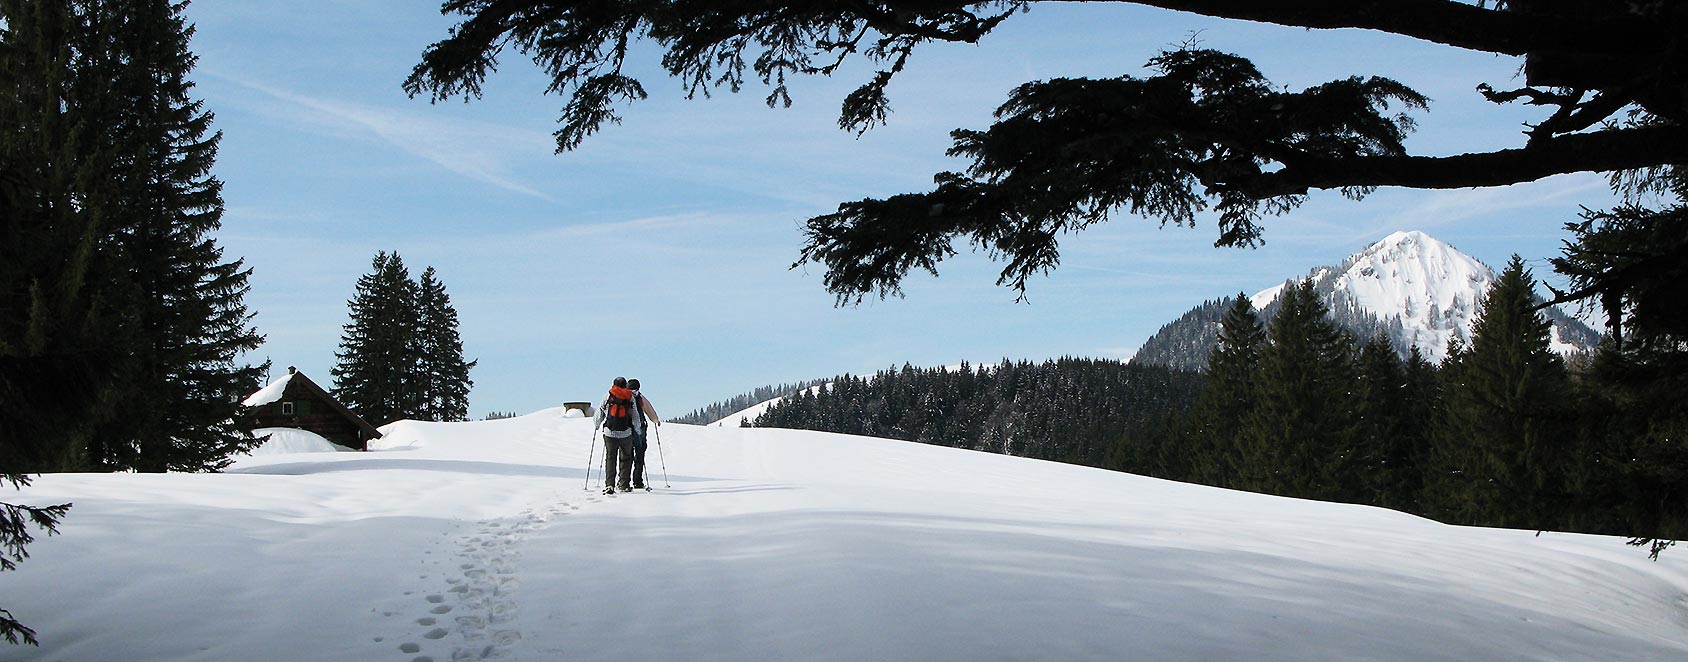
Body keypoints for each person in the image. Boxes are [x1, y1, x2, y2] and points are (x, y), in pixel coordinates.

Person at [594, 377, 642, 494]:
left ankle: (610, 484)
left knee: (610, 458)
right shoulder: (630, 397)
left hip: (609, 432)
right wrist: (638, 430)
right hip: (626, 433)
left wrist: (597, 424)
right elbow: (635, 415)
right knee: (626, 458)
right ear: (625, 385)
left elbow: (600, 410)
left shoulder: (608, 395)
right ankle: (624, 484)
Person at [627, 378, 661, 489]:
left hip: (626, 429)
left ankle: (624, 480)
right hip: (640, 429)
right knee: (640, 454)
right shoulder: (640, 397)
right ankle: (638, 481)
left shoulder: (624, 397)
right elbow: (650, 411)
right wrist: (656, 420)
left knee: (626, 455)